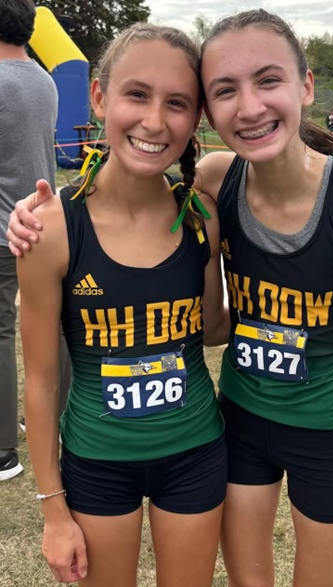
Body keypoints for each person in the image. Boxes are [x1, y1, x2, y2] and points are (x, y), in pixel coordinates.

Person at [7, 9, 333, 587]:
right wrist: (33, 216)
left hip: (261, 443)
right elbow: (45, 377)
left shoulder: (330, 207)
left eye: (268, 81)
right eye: (224, 91)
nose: (248, 107)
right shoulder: (194, 190)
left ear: (306, 85)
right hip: (174, 441)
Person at [14, 23, 228, 587]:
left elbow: (212, 331)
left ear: (196, 118)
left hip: (197, 454)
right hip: (96, 465)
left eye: (177, 103)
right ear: (100, 96)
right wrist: (53, 510)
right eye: (137, 94)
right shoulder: (52, 229)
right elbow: (38, 381)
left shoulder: (201, 217)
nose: (155, 121)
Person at [0, 0, 71, 482]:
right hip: (46, 222)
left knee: (1, 330)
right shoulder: (44, 80)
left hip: (5, 225)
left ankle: (3, 449)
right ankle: (54, 421)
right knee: (57, 328)